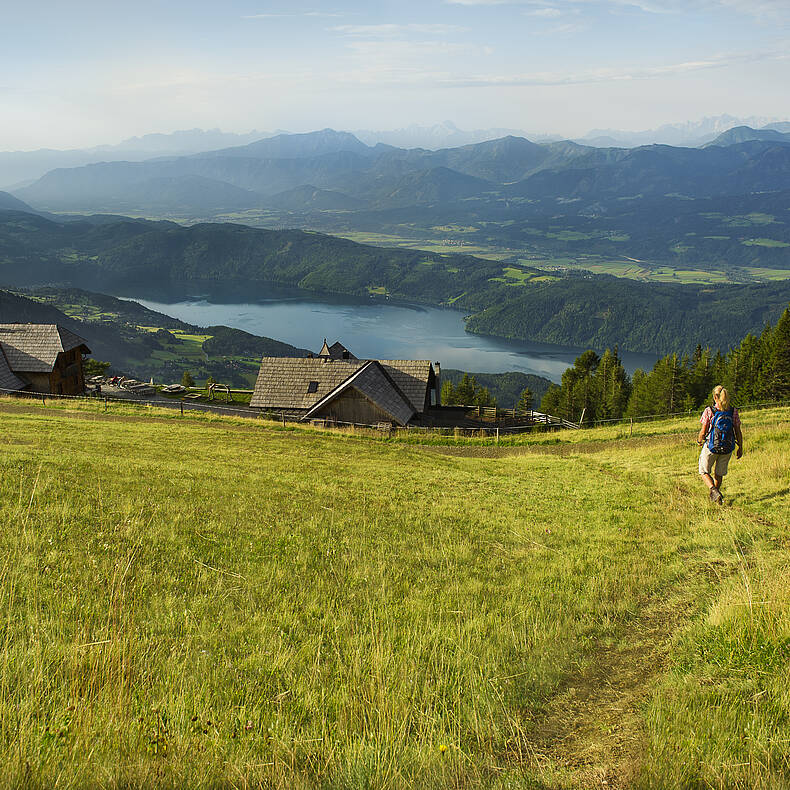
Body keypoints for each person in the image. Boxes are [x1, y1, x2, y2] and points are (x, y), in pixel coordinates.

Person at [697, 385, 743, 504]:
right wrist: (740, 447)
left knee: (703, 470)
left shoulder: (710, 411)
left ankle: (713, 490)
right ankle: (716, 498)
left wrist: (699, 440)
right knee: (719, 473)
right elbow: (738, 431)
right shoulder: (733, 411)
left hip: (711, 446)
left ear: (715, 396)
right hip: (727, 447)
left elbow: (703, 431)